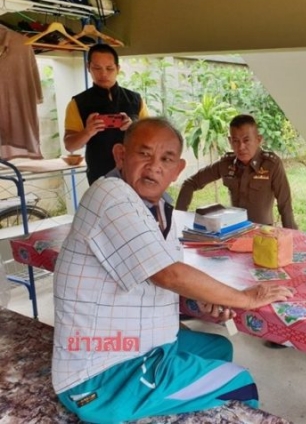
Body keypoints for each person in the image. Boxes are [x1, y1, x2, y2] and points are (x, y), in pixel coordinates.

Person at [52, 118, 292, 423]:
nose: (154, 166)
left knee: (217, 348)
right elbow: (167, 274)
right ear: (120, 156)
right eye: (144, 154)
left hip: (136, 341)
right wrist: (243, 298)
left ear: (177, 170)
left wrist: (204, 298)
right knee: (239, 382)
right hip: (101, 374)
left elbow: (164, 276)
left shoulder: (158, 208)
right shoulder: (110, 194)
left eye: (166, 159)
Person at [175, 114, 297, 229]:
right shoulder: (226, 164)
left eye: (246, 140)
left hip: (262, 233)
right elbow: (190, 183)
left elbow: (285, 206)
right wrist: (178, 221)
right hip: (233, 232)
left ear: (258, 139)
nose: (241, 147)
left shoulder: (271, 165)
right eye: (235, 141)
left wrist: (294, 238)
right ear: (230, 141)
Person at [64, 43, 149, 185]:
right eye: (97, 68)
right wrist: (88, 132)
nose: (103, 74)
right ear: (88, 68)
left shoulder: (135, 99)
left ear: (118, 69)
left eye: (109, 68)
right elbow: (70, 146)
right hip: (100, 175)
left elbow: (151, 137)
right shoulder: (78, 103)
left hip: (135, 172)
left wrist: (133, 127)